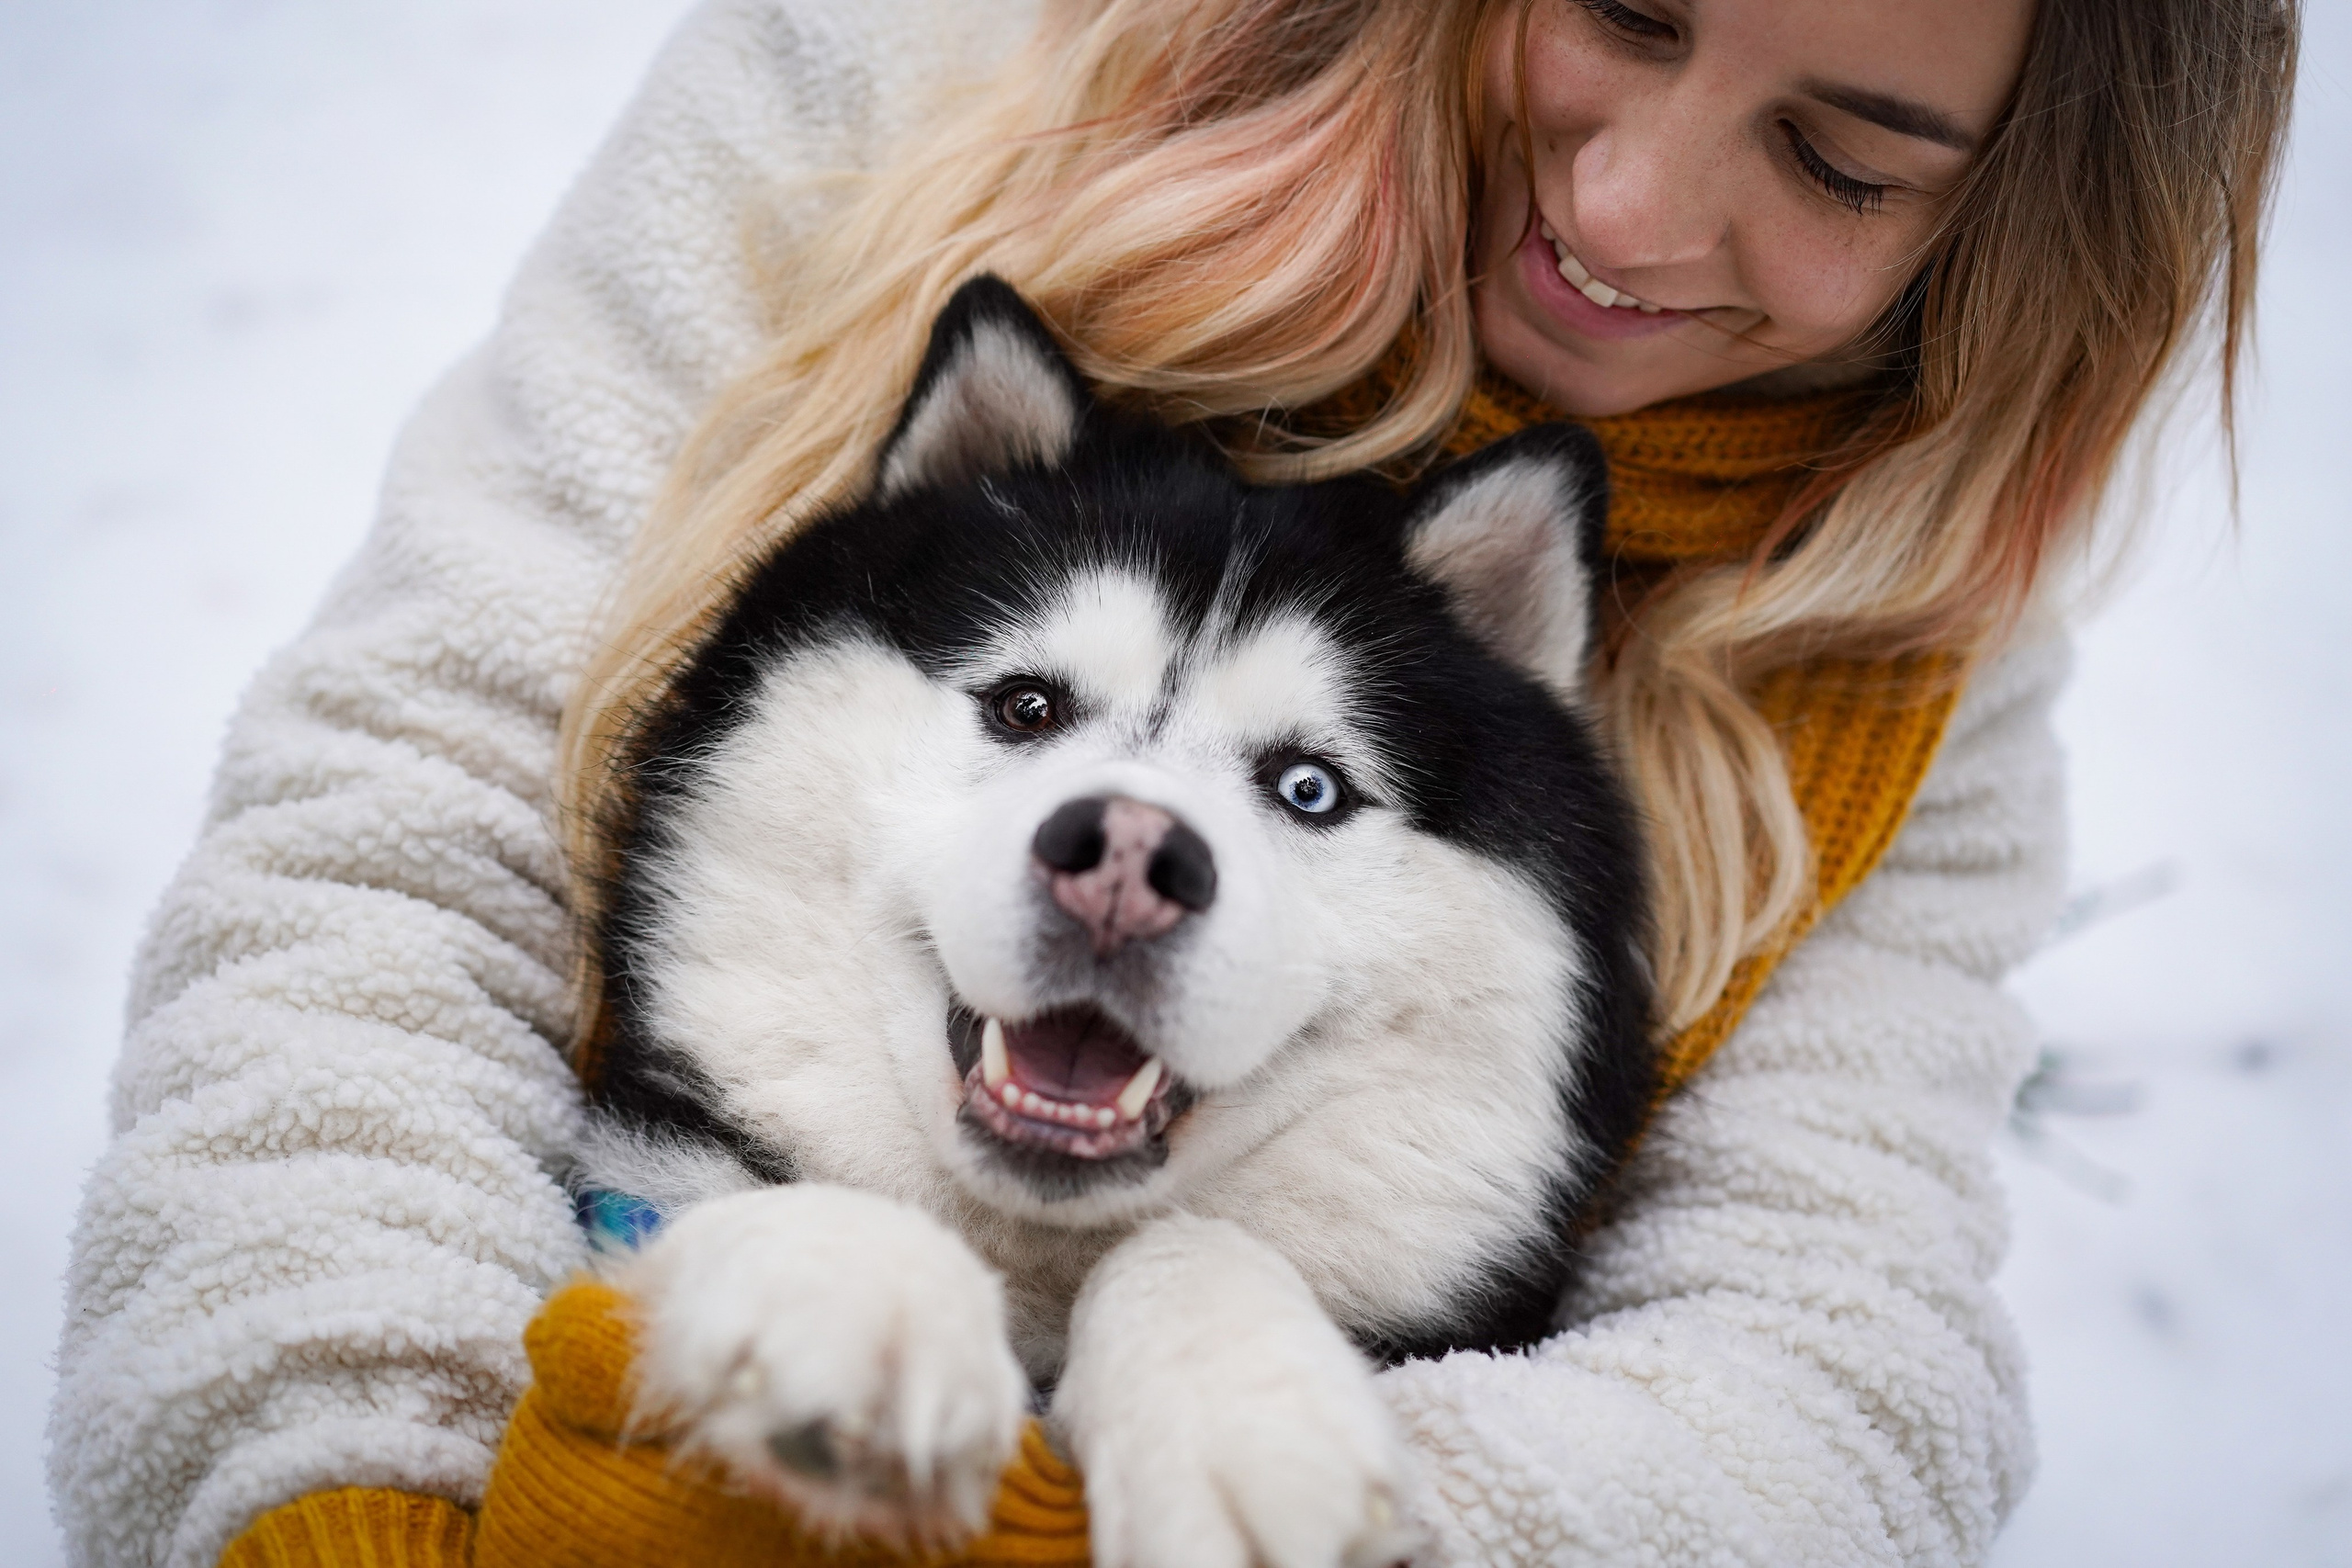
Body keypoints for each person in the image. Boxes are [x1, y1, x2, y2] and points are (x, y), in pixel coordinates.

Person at [51, 0, 2297, 1564]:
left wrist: (1114, 1499)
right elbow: (384, 855)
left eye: (1834, 155)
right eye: (1618, 6)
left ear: (2003, 224)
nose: (1627, 203)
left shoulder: (1904, 655)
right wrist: (336, 1513)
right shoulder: (927, 72)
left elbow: (1837, 1387)